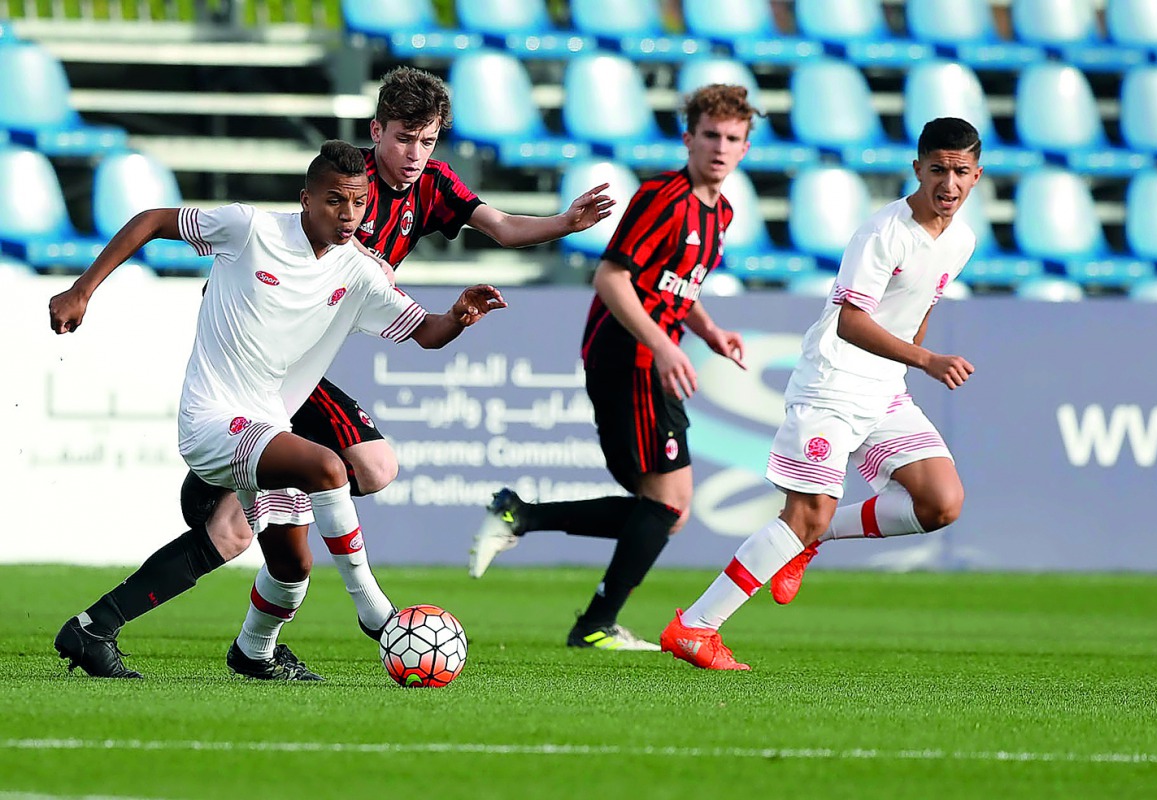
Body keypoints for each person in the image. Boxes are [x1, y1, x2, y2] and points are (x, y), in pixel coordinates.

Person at [50, 64, 611, 679]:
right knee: (331, 466)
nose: (350, 212)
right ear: (310, 196)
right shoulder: (253, 229)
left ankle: (137, 634)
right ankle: (376, 614)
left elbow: (427, 329)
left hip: (274, 402)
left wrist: (460, 315)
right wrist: (82, 290)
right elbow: (155, 219)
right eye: (338, 200)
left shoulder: (363, 268)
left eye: (359, 203)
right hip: (215, 412)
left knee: (282, 562)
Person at [659, 117, 982, 670]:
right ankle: (695, 627)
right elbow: (851, 323)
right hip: (831, 385)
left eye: (959, 173)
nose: (947, 184)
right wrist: (927, 360)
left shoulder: (962, 239)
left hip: (884, 389)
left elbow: (919, 309)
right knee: (802, 514)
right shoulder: (883, 232)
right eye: (937, 170)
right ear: (917, 169)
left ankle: (811, 539)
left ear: (976, 176)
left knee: (941, 503)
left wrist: (913, 359)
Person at [467, 84, 756, 651]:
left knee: (665, 512)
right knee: (668, 505)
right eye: (711, 136)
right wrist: (668, 347)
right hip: (630, 355)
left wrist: (709, 332)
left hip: (653, 356)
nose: (720, 148)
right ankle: (591, 619)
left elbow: (674, 287)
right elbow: (612, 277)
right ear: (688, 138)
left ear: (745, 148)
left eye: (733, 139)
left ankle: (522, 520)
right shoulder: (662, 198)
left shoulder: (720, 211)